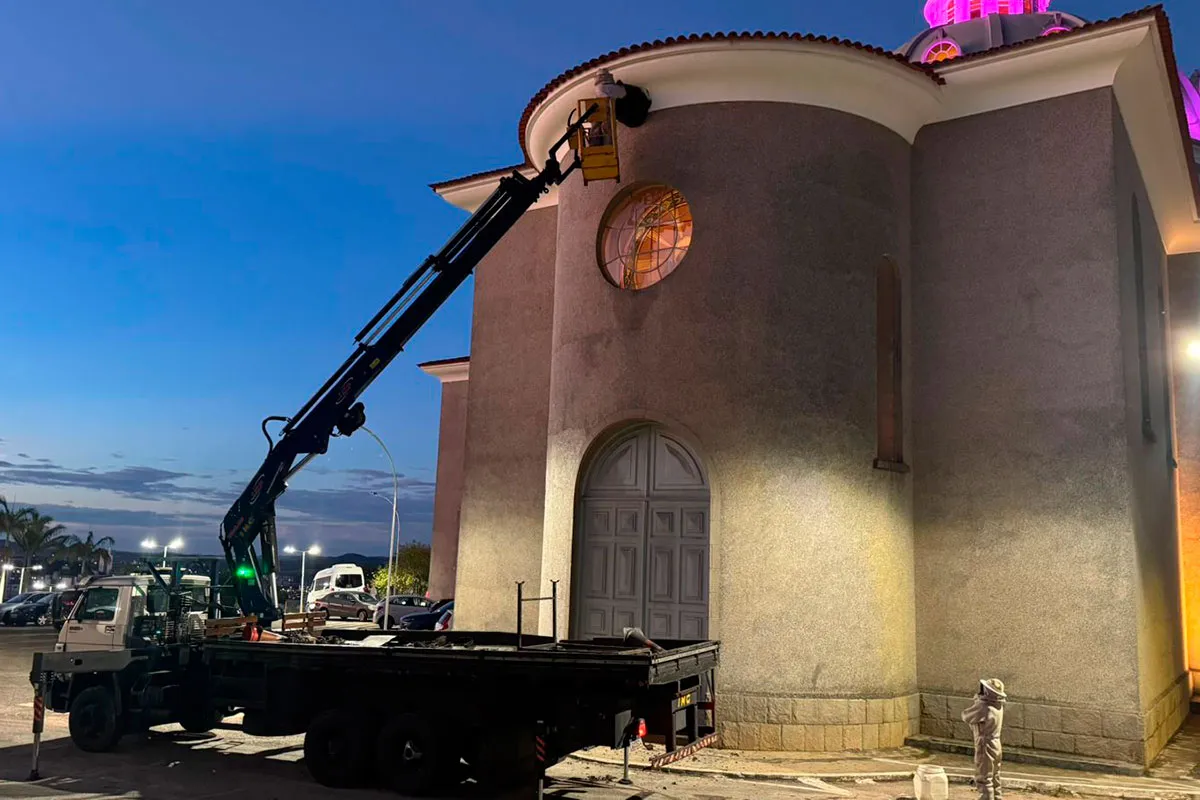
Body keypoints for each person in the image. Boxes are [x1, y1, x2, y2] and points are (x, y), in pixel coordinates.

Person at [961, 678, 1006, 800]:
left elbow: (966, 716)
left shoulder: (984, 706)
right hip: (996, 743)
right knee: (995, 776)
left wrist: (977, 700)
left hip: (985, 744)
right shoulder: (998, 705)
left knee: (984, 778)